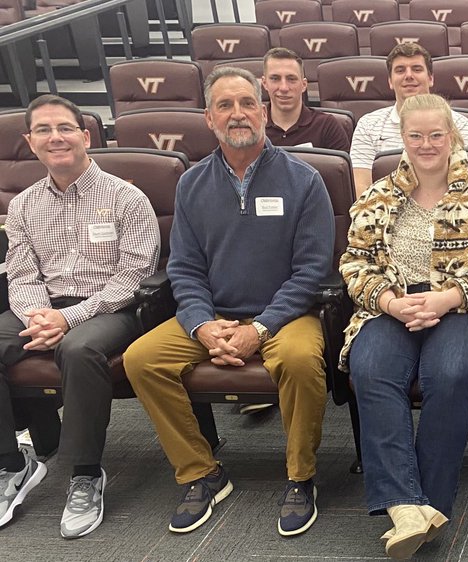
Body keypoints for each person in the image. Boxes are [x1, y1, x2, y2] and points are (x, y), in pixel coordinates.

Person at [123, 66, 334, 537]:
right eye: (225, 105)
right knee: (141, 359)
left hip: (285, 315)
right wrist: (201, 325)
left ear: (263, 111)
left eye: (246, 104)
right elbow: (185, 268)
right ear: (209, 119)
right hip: (211, 315)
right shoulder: (192, 184)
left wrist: (259, 329)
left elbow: (312, 271)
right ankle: (202, 472)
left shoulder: (304, 180)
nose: (237, 114)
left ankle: (301, 476)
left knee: (301, 360)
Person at [341, 93, 468, 560]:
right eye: (415, 135)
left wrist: (449, 296)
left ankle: (431, 502)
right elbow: (354, 262)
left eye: (435, 134)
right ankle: (407, 507)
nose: (426, 144)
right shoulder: (377, 196)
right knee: (371, 370)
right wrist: (388, 301)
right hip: (393, 306)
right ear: (402, 138)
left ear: (452, 137)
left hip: (462, 307)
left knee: (448, 375)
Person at [0, 95, 158, 539]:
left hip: (110, 307)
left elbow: (135, 275)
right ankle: (11, 464)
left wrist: (68, 319)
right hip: (43, 306)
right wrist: (38, 316)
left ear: (85, 136)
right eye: (44, 131)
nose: (56, 138)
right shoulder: (23, 205)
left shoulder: (126, 197)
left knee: (80, 347)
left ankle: (86, 473)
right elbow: (23, 274)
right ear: (30, 142)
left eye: (65, 128)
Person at [351, 42, 468, 196]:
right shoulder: (367, 125)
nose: (409, 75)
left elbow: (464, 183)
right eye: (400, 70)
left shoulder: (460, 124)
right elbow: (362, 188)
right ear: (390, 81)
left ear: (430, 78)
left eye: (417, 69)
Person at [262, 47, 351, 152]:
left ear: (304, 85)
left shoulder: (327, 126)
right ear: (264, 83)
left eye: (291, 79)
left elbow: (342, 168)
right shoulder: (253, 126)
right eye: (275, 79)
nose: (284, 88)